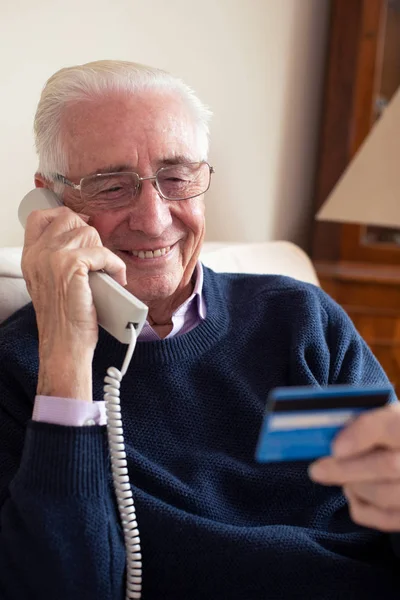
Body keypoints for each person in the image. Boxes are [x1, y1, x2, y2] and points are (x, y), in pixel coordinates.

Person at [0, 60, 399, 600]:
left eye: (177, 177)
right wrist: (68, 354)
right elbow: (65, 583)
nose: (154, 218)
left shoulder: (300, 318)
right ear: (50, 203)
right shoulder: (22, 370)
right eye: (112, 187)